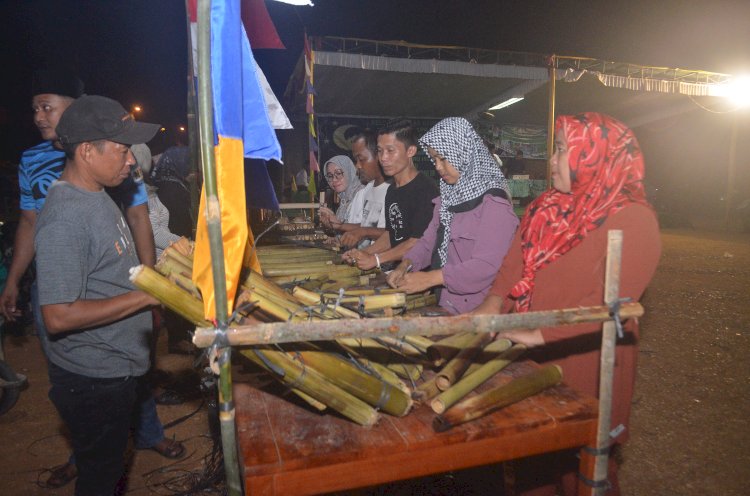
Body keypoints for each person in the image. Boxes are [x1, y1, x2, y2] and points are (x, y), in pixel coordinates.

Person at [474, 112, 661, 495]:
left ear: (594, 156)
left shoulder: (634, 219)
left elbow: (609, 307)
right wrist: (493, 303)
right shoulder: (545, 207)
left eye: (562, 149)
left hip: (585, 361)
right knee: (532, 461)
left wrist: (534, 334)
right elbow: (514, 264)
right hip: (532, 353)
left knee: (583, 470)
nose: (553, 160)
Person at [34, 95, 163, 496]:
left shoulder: (98, 193)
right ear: (88, 151)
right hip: (94, 380)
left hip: (115, 370)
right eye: (123, 150)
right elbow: (57, 315)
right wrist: (148, 297)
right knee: (100, 479)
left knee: (108, 467)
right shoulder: (65, 217)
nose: (131, 161)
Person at [1, 70, 154, 325]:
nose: (39, 117)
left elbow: (138, 216)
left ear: (74, 108)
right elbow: (29, 222)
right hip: (58, 276)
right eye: (35, 109)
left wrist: (150, 280)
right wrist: (13, 280)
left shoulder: (113, 153)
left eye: (47, 107)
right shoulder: (30, 160)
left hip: (112, 275)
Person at [386, 118, 518, 314]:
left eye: (443, 158)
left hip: (478, 310)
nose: (438, 167)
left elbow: (485, 267)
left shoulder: (494, 205)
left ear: (463, 153)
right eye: (434, 160)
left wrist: (432, 278)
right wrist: (406, 264)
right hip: (447, 304)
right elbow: (427, 242)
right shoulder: (447, 199)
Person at [343, 119, 438, 269]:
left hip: (421, 277)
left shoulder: (426, 191)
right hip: (398, 273)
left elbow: (417, 242)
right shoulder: (392, 190)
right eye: (380, 151)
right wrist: (363, 253)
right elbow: (392, 234)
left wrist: (376, 259)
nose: (383, 158)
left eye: (390, 151)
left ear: (410, 151)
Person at [322, 130, 389, 248]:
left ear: (379, 156)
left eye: (361, 159)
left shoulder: (392, 191)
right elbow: (365, 226)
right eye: (330, 176)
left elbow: (393, 235)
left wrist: (363, 234)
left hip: (381, 262)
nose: (357, 166)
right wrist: (340, 226)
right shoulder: (368, 188)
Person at [318, 155, 364, 228]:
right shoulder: (344, 197)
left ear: (349, 171)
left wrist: (338, 223)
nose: (334, 180)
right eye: (330, 176)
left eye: (338, 173)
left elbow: (366, 229)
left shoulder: (361, 194)